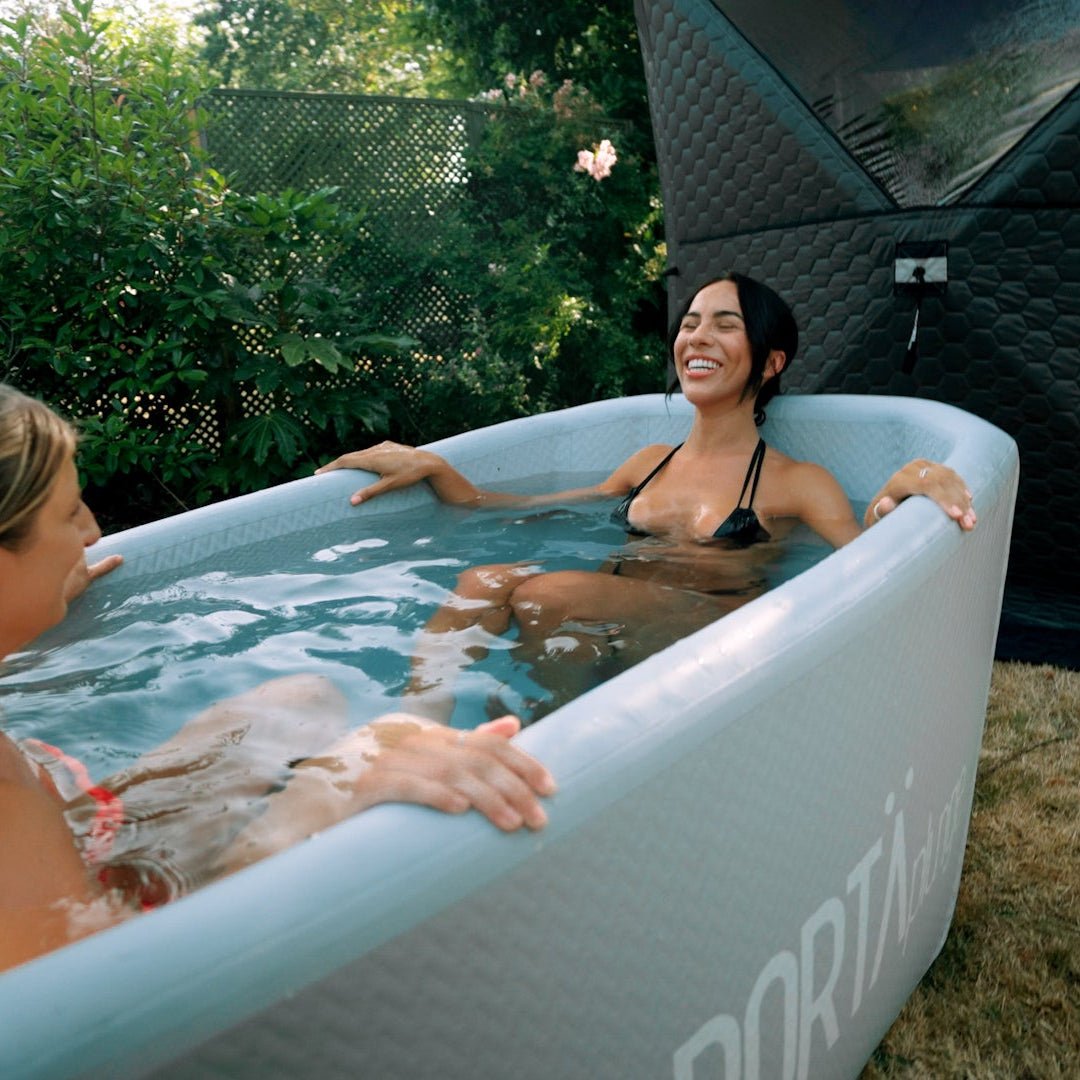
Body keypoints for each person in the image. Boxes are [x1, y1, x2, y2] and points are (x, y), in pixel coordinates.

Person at [0, 384, 556, 973]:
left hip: (77, 846)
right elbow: (96, 1008)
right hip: (121, 951)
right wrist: (339, 791)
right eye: (66, 515)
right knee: (382, 742)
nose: (89, 533)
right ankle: (419, 708)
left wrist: (22, 616)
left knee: (299, 702)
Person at [317, 272, 977, 720]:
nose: (696, 338)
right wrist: (435, 466)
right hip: (609, 614)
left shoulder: (795, 481)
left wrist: (896, 490)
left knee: (551, 594)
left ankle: (543, 739)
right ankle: (407, 734)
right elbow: (520, 511)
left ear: (770, 361)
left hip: (713, 626)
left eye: (724, 325)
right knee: (485, 578)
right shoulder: (646, 464)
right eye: (690, 323)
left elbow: (869, 571)